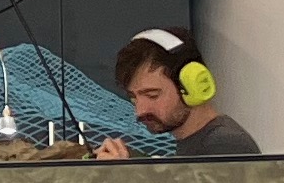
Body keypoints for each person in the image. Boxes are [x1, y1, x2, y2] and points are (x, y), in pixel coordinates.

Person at [92, 26, 259, 160]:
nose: (140, 111)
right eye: (134, 98)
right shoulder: (195, 144)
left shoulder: (226, 146)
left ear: (191, 85)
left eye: (152, 95)